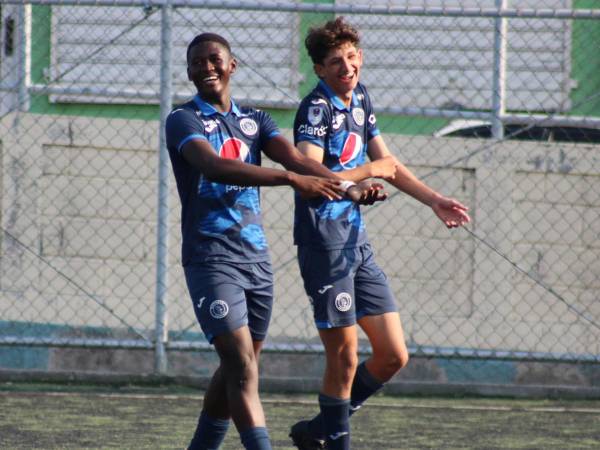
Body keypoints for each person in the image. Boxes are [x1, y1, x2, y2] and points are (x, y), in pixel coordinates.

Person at [166, 32, 396, 450]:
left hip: (256, 262)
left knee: (239, 367)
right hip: (210, 260)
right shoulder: (183, 120)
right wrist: (291, 179)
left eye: (214, 59)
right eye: (197, 63)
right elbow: (215, 166)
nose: (207, 68)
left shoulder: (256, 120)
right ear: (189, 72)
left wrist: (349, 188)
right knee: (240, 365)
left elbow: (298, 159)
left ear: (232, 66)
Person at [289, 18, 471, 450]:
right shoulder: (316, 110)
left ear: (361, 58)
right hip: (324, 245)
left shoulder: (361, 99)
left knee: (393, 355)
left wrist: (433, 199)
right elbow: (308, 172)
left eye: (351, 57)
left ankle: (317, 429)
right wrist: (364, 176)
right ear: (319, 69)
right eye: (335, 61)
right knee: (345, 357)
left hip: (357, 246)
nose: (346, 67)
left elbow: (388, 163)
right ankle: (335, 442)